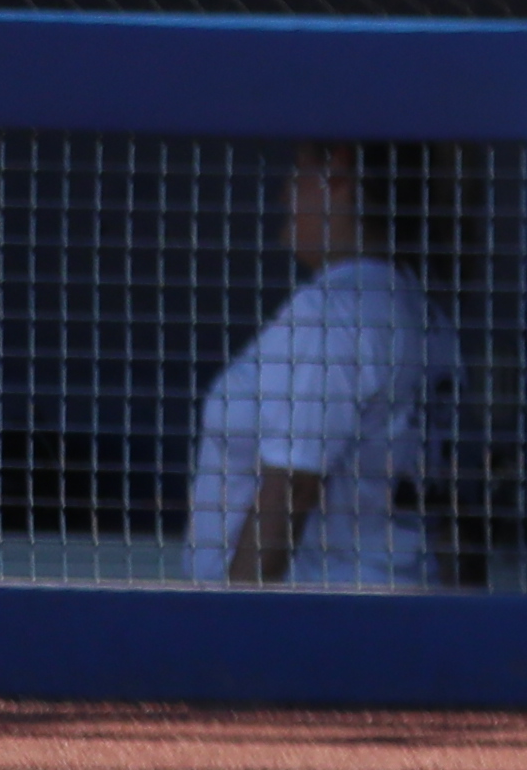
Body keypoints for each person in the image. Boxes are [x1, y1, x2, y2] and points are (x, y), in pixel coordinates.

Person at [183, 142, 447, 589]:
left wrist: (223, 637)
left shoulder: (333, 311)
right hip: (400, 606)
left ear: (337, 176)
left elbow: (291, 488)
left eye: (298, 174)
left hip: (319, 626)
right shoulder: (423, 313)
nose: (285, 194)